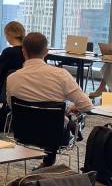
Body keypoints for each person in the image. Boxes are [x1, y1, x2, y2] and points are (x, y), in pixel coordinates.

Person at [5, 32, 93, 167]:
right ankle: (48, 163)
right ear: (46, 52)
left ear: (23, 51)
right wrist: (73, 107)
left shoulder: (12, 78)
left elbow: (12, 107)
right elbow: (87, 106)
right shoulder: (61, 75)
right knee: (63, 118)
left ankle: (47, 163)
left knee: (49, 119)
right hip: (56, 137)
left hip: (23, 133)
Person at [0, 21, 26, 86]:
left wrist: (0, 71)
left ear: (9, 34)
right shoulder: (27, 52)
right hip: (17, 88)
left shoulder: (8, 51)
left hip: (1, 88)